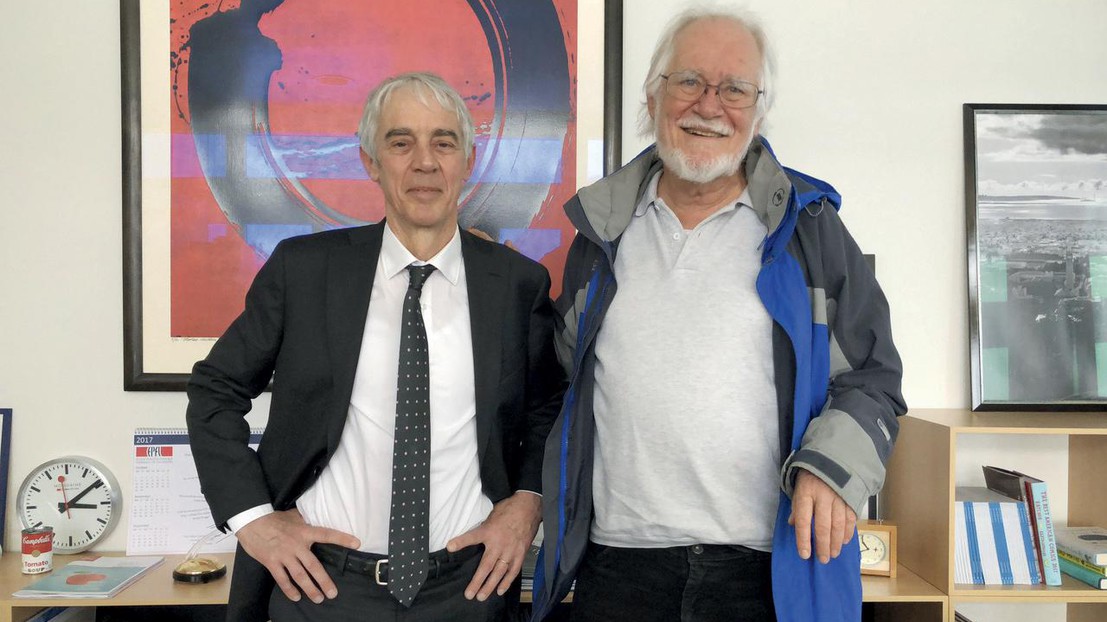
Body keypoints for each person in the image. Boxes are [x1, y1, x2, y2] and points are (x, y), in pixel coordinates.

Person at [529, 8, 906, 622]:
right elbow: (562, 384)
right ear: (652, 98)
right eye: (689, 82)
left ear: (758, 111)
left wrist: (828, 471)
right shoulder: (600, 238)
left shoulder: (810, 232)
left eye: (735, 89)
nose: (710, 105)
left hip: (768, 570)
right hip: (618, 566)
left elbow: (873, 379)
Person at [186, 72, 565, 622]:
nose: (425, 162)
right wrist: (253, 520)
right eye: (400, 142)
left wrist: (527, 503)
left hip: (467, 593)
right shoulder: (304, 271)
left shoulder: (518, 286)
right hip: (321, 591)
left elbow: (548, 409)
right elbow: (215, 390)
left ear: (468, 159)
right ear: (370, 161)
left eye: (444, 141)